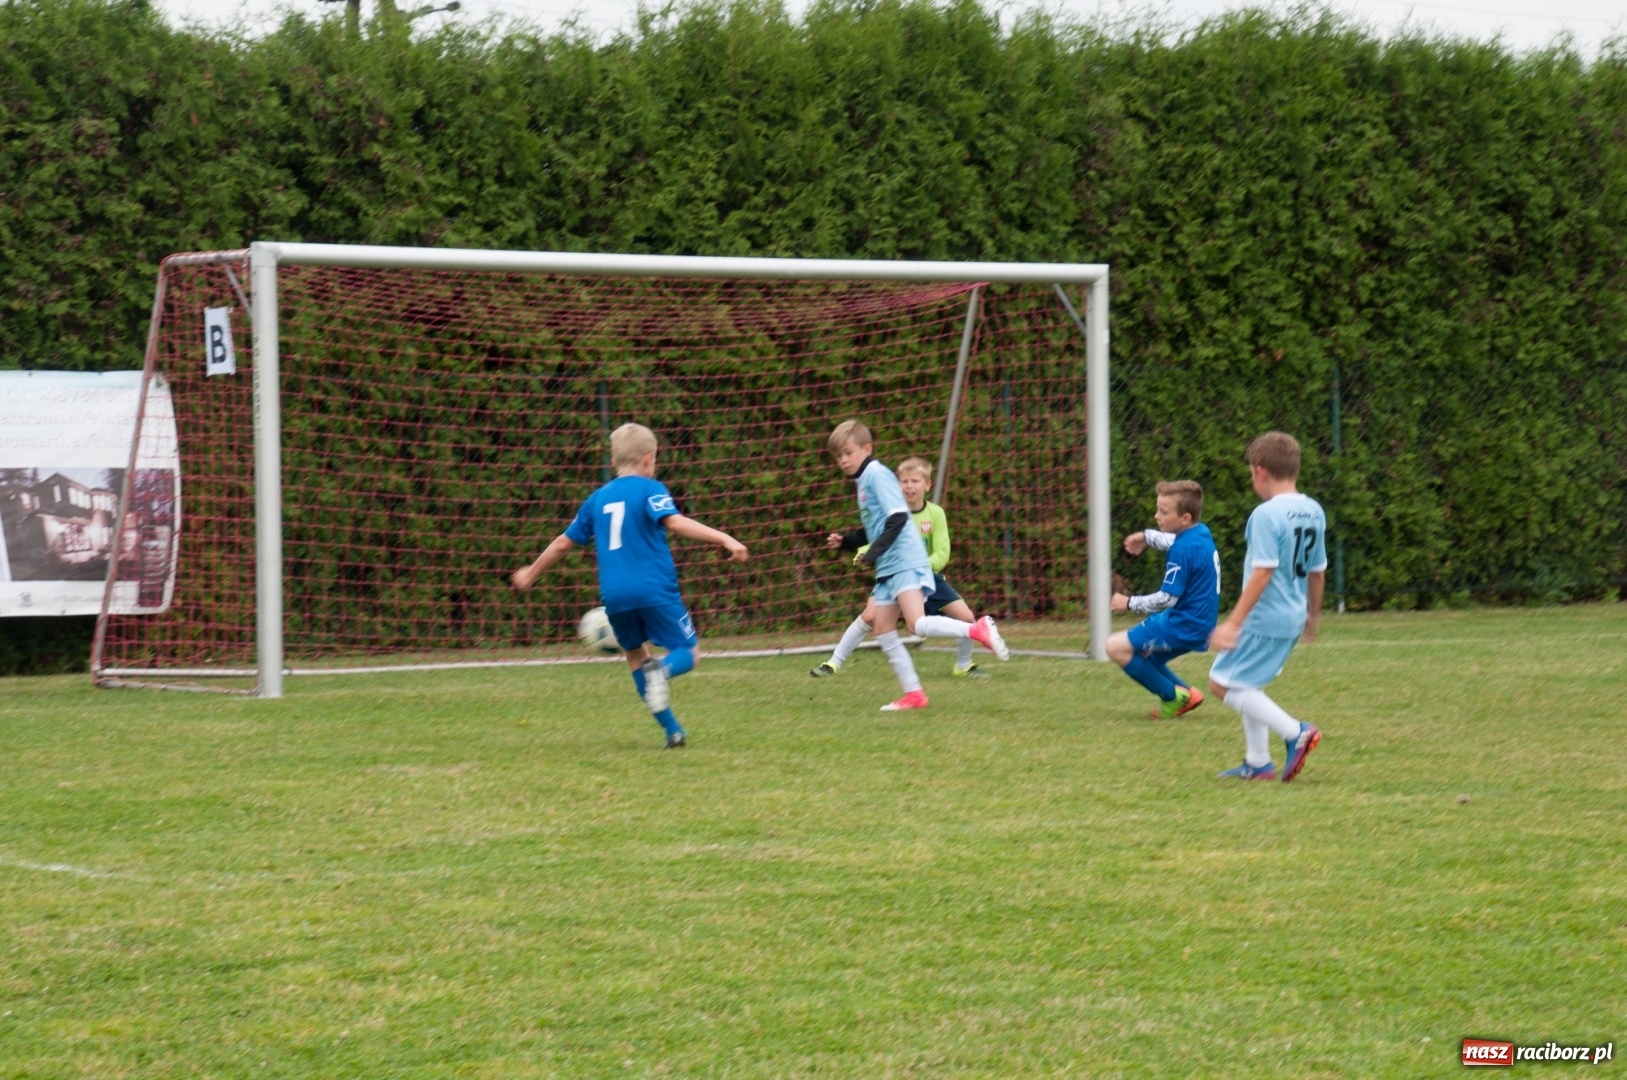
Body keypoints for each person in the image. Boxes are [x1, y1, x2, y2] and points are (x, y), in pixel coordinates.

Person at [510, 423, 747, 748]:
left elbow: (563, 543)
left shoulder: (597, 499)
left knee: (636, 657)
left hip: (614, 597)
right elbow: (675, 522)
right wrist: (725, 538)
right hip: (654, 589)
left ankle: (673, 732)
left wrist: (531, 573)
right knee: (688, 653)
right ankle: (661, 671)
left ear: (613, 462)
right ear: (649, 458)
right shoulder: (651, 489)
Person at [820, 421, 1009, 712]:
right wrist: (846, 541)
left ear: (867, 449)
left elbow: (898, 519)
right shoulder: (864, 480)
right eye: (838, 456)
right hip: (889, 566)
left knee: (916, 624)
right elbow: (875, 528)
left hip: (905, 560)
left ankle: (977, 629)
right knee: (883, 629)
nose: (843, 460)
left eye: (848, 452)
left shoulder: (877, 474)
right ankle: (914, 695)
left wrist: (873, 553)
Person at [1208, 431, 1326, 782]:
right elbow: (1317, 571)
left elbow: (1263, 572)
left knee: (1221, 683)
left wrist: (1233, 623)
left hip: (1264, 616)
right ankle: (1258, 763)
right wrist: (1313, 614)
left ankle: (1295, 732)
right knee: (1249, 683)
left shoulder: (1265, 514)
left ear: (1259, 471)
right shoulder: (1314, 510)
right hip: (1292, 614)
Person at [813, 455, 989, 679]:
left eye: (915, 481)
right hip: (896, 576)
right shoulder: (893, 512)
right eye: (904, 481)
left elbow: (942, 552)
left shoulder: (935, 513)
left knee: (966, 617)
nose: (909, 486)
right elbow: (875, 536)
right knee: (870, 616)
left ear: (927, 485)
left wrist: (920, 565)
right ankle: (833, 663)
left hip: (927, 576)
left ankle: (963, 665)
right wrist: (859, 550)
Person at [1107, 479, 1220, 719]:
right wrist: (1146, 537)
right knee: (1146, 656)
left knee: (1114, 647)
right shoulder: (1201, 532)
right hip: (1200, 623)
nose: (1157, 516)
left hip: (1182, 624)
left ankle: (1173, 696)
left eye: (1164, 512)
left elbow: (1167, 598)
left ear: (1185, 518)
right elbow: (1173, 541)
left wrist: (1129, 602)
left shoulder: (1181, 550)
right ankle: (1187, 695)